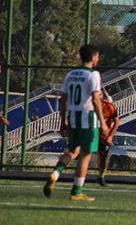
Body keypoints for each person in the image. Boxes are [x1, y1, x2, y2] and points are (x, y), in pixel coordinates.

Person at [43, 44, 108, 201]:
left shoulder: (70, 74)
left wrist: (63, 120)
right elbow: (95, 99)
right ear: (92, 57)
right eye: (97, 56)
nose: (98, 59)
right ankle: (76, 191)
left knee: (72, 152)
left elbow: (63, 98)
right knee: (85, 155)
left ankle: (56, 173)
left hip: (73, 118)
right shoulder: (93, 75)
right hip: (88, 119)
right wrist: (103, 122)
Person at [96, 91, 120, 187]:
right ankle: (80, 177)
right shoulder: (89, 105)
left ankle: (101, 177)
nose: (98, 96)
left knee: (103, 158)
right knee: (85, 154)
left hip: (103, 136)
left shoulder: (109, 106)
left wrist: (110, 136)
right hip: (91, 134)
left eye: (100, 94)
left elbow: (117, 121)